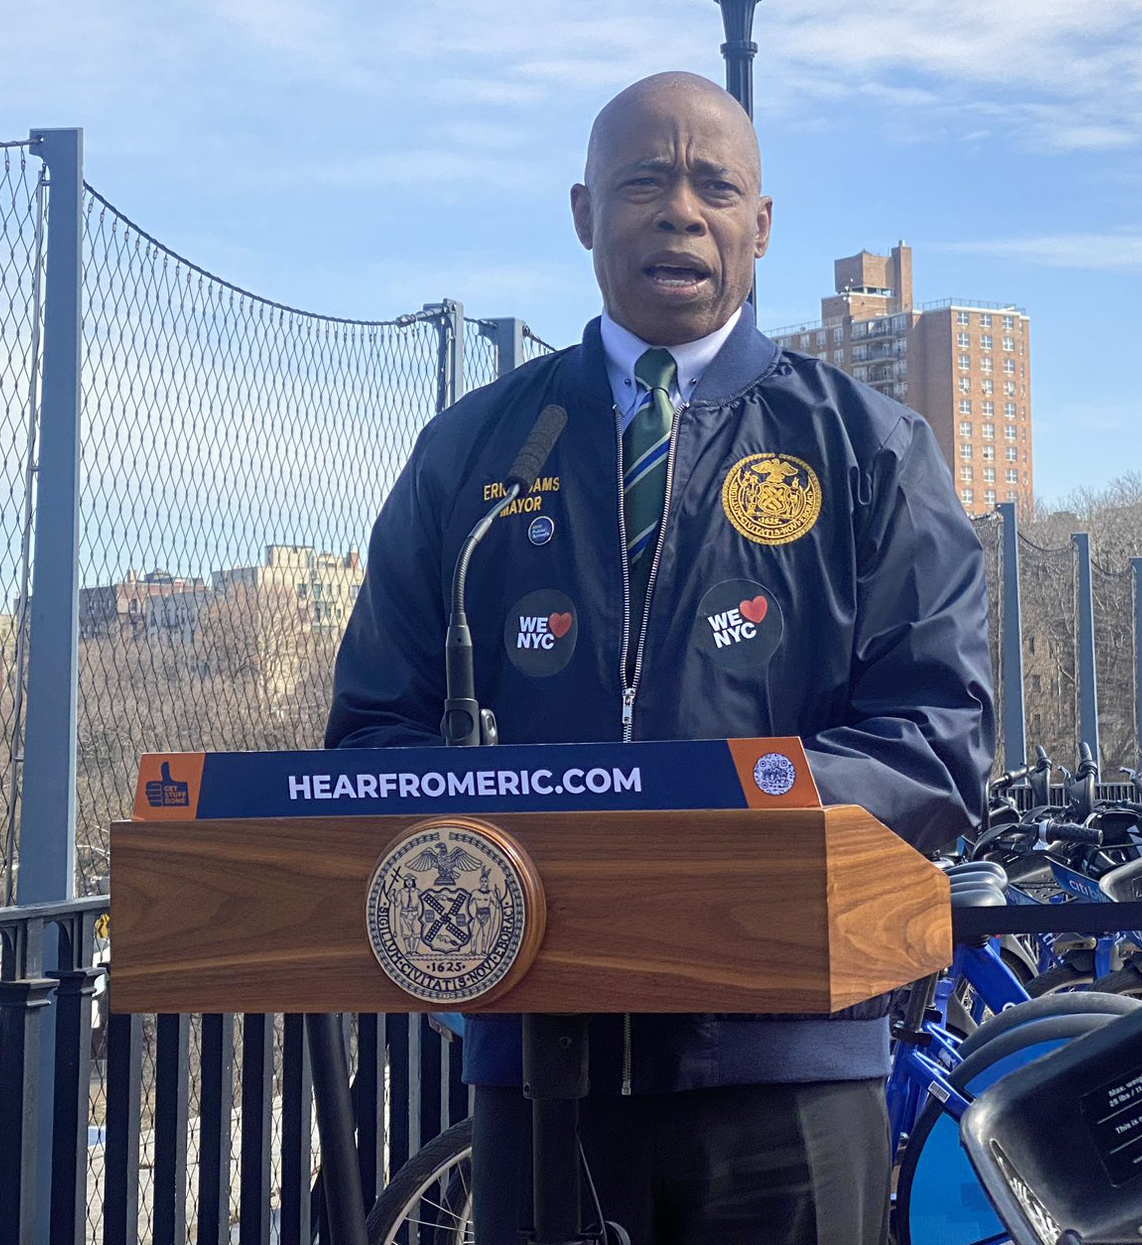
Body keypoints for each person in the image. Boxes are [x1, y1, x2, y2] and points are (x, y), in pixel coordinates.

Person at [327, 70, 995, 1245]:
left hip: (787, 1056)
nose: (679, 210)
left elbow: (937, 738)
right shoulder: (474, 451)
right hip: (535, 1061)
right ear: (584, 213)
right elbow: (377, 727)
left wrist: (709, 823)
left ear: (760, 225)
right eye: (644, 181)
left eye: (713, 185)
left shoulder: (868, 448)